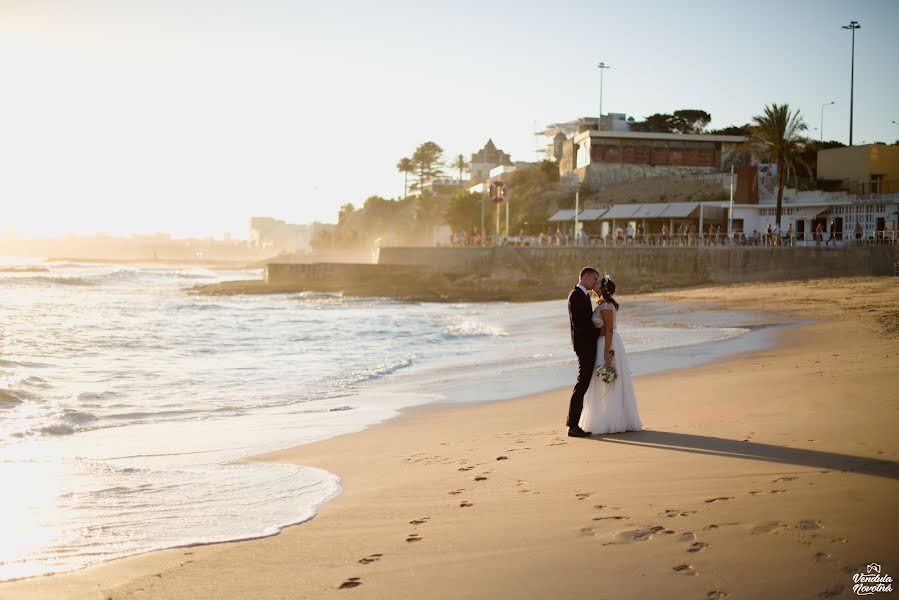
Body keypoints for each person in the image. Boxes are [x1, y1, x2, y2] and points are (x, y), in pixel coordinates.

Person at [579, 275, 643, 434]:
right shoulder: (601, 303)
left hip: (608, 343)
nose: (595, 283)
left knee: (609, 380)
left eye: (598, 282)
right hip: (603, 342)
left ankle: (613, 420)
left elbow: (609, 330)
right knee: (604, 380)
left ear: (603, 288)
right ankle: (607, 417)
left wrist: (608, 351)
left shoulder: (606, 305)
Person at [566, 267, 602, 438]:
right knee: (582, 384)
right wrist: (599, 333)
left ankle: (573, 423)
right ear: (586, 277)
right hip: (583, 346)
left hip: (587, 344)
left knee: (584, 383)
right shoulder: (575, 295)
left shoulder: (584, 295)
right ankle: (573, 425)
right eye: (594, 279)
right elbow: (579, 324)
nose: (595, 283)